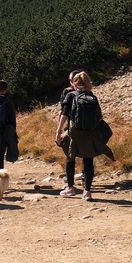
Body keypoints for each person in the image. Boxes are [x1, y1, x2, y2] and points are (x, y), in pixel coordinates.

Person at [55, 71, 102, 201]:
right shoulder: (92, 97)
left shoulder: (71, 95)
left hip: (74, 132)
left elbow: (64, 115)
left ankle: (70, 188)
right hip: (89, 133)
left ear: (74, 83)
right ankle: (87, 191)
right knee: (88, 161)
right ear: (88, 82)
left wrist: (58, 131)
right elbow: (99, 117)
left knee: (70, 158)